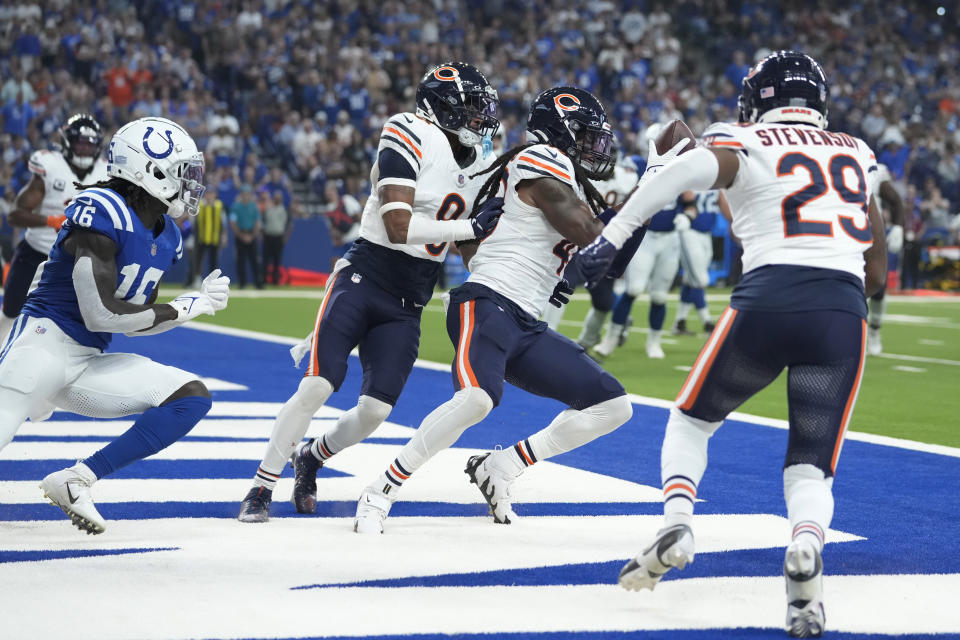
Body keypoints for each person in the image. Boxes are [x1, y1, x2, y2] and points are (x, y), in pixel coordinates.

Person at [574, 51, 887, 638]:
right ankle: (804, 556)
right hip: (841, 310)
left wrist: (610, 240)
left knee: (692, 421)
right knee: (811, 466)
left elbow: (681, 175)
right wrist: (870, 297)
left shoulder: (742, 137)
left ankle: (678, 521)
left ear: (760, 99)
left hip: (770, 297)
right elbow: (874, 249)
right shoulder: (856, 150)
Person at [353, 87, 642, 534]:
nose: (592, 146)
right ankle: (381, 488)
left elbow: (612, 263)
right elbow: (591, 235)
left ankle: (502, 466)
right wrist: (648, 191)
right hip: (487, 302)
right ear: (562, 130)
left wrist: (647, 201)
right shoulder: (541, 158)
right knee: (476, 399)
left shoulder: (565, 176)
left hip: (527, 320)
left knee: (613, 405)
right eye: (584, 134)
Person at [237, 62, 503, 523]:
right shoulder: (406, 129)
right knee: (318, 384)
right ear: (441, 106)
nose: (480, 120)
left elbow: (466, 242)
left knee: (374, 412)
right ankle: (261, 486)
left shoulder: (480, 162)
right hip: (365, 278)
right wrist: (470, 226)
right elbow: (398, 225)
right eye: (472, 108)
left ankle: (311, 457)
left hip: (410, 299)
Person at [0, 116, 231, 534]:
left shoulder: (168, 236)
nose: (191, 183)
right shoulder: (102, 209)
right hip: (42, 342)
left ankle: (76, 480)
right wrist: (180, 309)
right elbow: (101, 314)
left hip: (87, 359)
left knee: (190, 397)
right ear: (152, 170)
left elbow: (134, 323)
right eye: (183, 173)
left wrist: (193, 306)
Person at [0, 114, 108, 345]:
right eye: (80, 142)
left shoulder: (105, 173)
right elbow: (15, 215)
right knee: (10, 313)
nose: (85, 149)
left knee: (72, 322)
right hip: (36, 253)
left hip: (74, 261)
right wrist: (52, 221)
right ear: (68, 142)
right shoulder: (50, 165)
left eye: (90, 144)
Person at [593, 189, 693, 360]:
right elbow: (629, 199)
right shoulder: (644, 168)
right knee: (633, 289)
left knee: (660, 296)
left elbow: (691, 204)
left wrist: (688, 217)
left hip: (670, 238)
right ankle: (610, 339)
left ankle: (654, 342)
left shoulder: (681, 168)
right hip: (646, 236)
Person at [671, 189, 731, 335]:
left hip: (706, 234)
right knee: (700, 279)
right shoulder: (693, 175)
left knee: (690, 279)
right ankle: (708, 323)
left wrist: (734, 221)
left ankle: (680, 322)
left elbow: (722, 202)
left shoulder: (717, 179)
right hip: (689, 232)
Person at [866, 163, 904, 355]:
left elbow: (896, 200)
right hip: (844, 233)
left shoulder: (873, 167)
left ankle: (874, 329)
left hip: (872, 233)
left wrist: (898, 226)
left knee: (878, 284)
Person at [191, 189, 227, 288]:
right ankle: (197, 279)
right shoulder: (200, 205)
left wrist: (224, 235)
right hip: (201, 238)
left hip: (214, 238)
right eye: (208, 194)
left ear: (215, 194)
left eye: (211, 193)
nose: (209, 196)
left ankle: (212, 282)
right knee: (198, 260)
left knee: (213, 261)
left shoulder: (219, 205)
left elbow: (223, 222)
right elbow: (194, 219)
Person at [229, 184, 262, 289]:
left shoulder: (254, 206)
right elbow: (233, 223)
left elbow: (257, 222)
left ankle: (258, 283)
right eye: (244, 194)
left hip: (252, 234)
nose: (246, 196)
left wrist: (252, 236)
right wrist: (241, 235)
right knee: (241, 261)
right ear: (241, 195)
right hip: (241, 234)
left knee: (255, 261)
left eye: (248, 194)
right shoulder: (236, 207)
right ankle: (242, 283)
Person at [261, 190, 290, 285]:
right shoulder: (268, 208)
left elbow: (288, 225)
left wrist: (285, 237)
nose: (277, 199)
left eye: (279, 197)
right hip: (268, 236)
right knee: (265, 260)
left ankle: (275, 280)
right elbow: (263, 221)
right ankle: (263, 279)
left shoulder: (284, 210)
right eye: (276, 197)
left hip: (278, 237)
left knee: (277, 261)